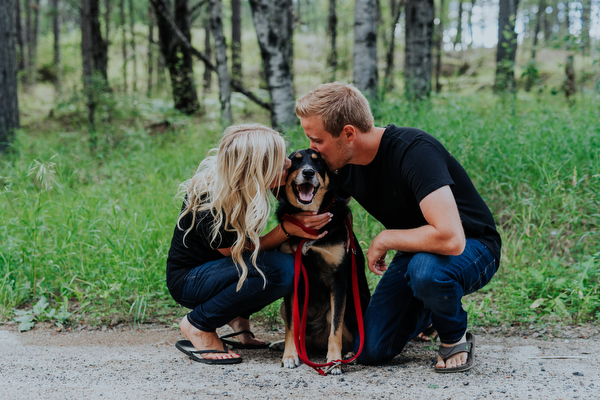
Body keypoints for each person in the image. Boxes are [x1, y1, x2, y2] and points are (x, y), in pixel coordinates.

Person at [295, 83, 501, 373]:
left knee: (427, 272)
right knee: (370, 349)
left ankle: (453, 336)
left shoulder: (414, 151)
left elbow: (451, 238)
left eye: (317, 141)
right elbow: (318, 201)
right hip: (416, 252)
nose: (312, 149)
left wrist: (387, 238)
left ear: (349, 133)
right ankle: (428, 310)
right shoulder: (344, 163)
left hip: (473, 245)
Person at [166, 124, 330, 364]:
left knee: (277, 259)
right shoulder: (210, 198)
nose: (287, 163)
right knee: (282, 269)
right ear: (257, 168)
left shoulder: (247, 185)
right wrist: (286, 230)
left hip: (219, 272)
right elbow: (235, 251)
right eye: (279, 160)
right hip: (191, 281)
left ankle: (237, 319)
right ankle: (198, 324)